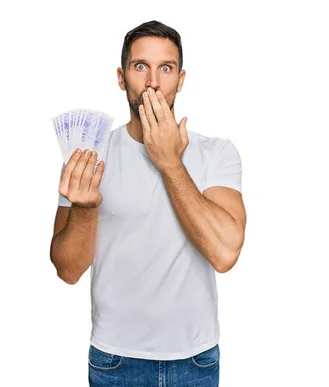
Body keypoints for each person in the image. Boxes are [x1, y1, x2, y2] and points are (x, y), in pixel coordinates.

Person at [50, 20, 246, 387]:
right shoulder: (88, 157)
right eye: (140, 66)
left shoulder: (217, 152)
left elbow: (225, 254)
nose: (153, 82)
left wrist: (170, 162)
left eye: (166, 68)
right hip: (114, 360)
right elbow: (67, 270)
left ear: (181, 79)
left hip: (196, 361)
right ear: (122, 77)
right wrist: (85, 209)